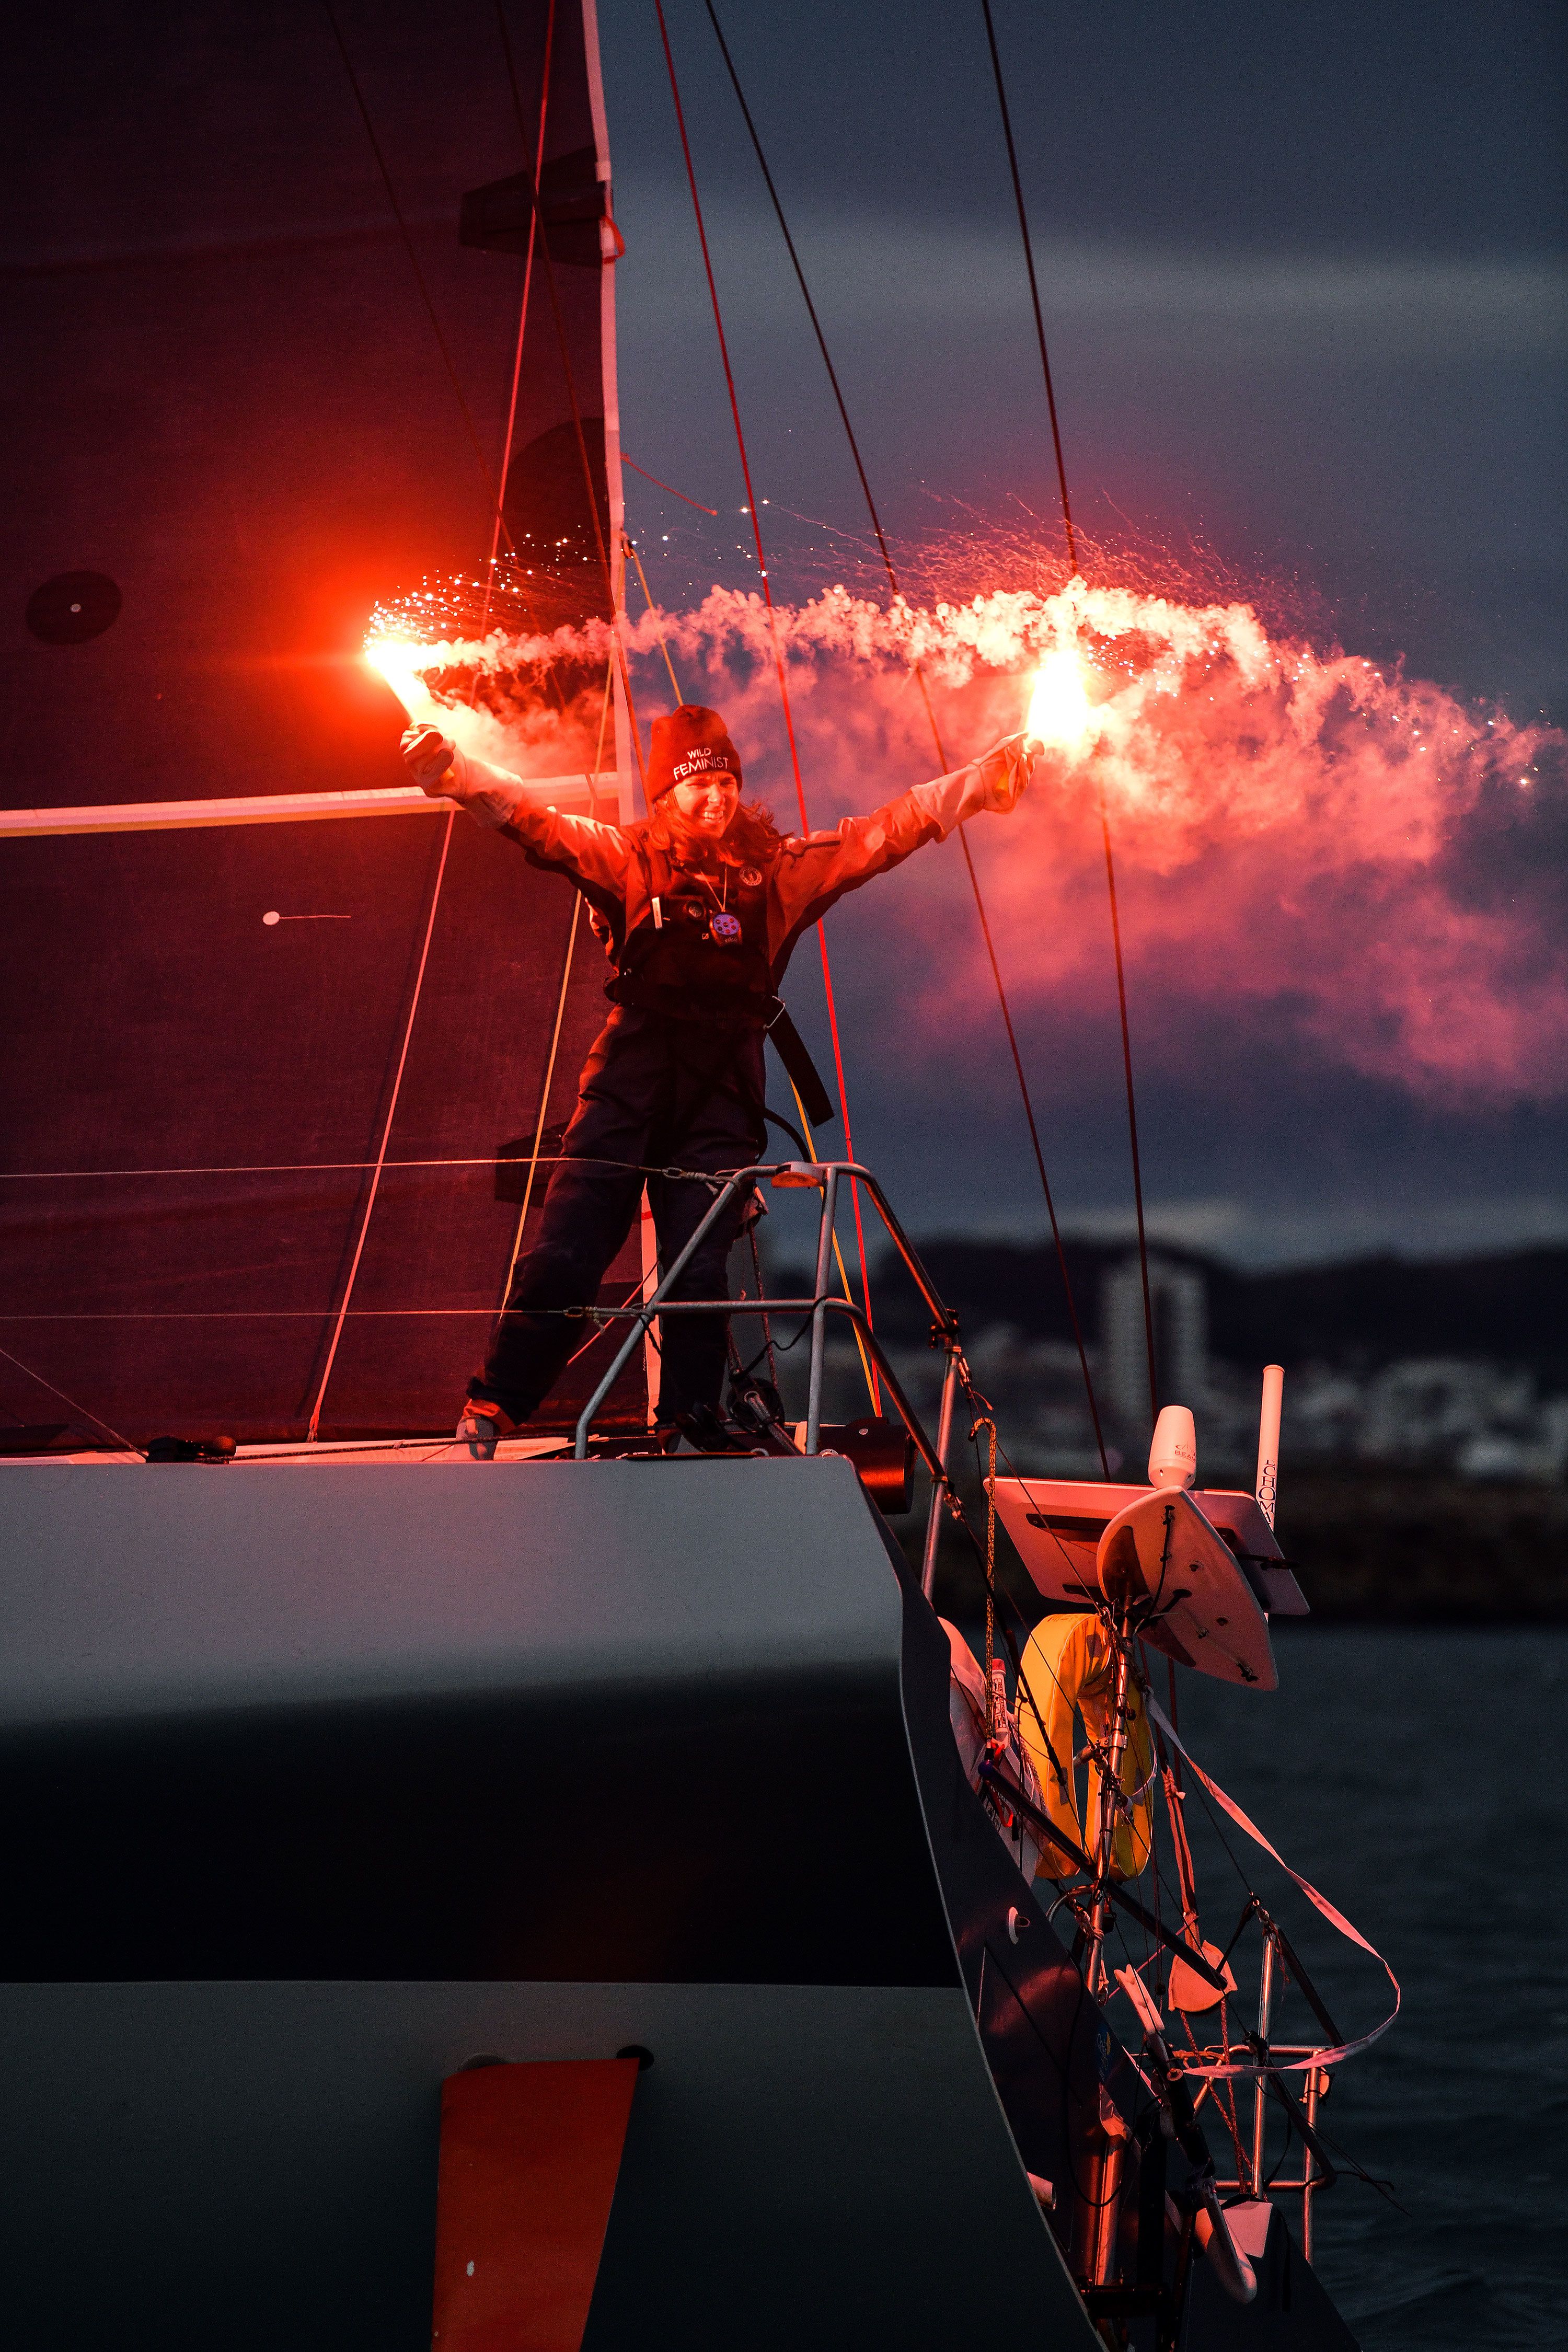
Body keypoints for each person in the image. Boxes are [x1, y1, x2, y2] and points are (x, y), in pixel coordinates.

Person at [401, 703, 1041, 1454]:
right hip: (628, 1081)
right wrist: (454, 773)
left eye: (726, 782)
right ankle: (496, 1403)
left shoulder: (777, 872)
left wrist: (982, 783)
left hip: (724, 1092)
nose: (715, 797)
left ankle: (686, 1421)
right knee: (568, 1248)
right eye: (696, 784)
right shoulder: (626, 859)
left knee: (700, 1269)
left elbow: (884, 832)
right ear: (666, 794)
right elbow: (536, 822)